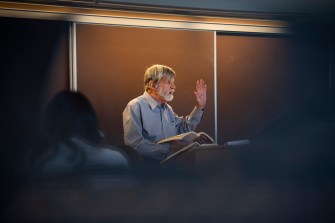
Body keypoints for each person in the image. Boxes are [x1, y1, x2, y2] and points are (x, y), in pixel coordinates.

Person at [30, 90, 130, 179]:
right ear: (90, 121)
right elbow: (129, 196)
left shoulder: (41, 163)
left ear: (50, 123)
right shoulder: (116, 159)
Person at [123, 64, 207, 161]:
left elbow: (182, 129)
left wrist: (199, 107)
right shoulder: (135, 106)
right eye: (169, 82)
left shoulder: (168, 109)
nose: (173, 87)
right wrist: (169, 147)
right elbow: (135, 147)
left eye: (173, 82)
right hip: (148, 171)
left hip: (171, 168)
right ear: (153, 85)